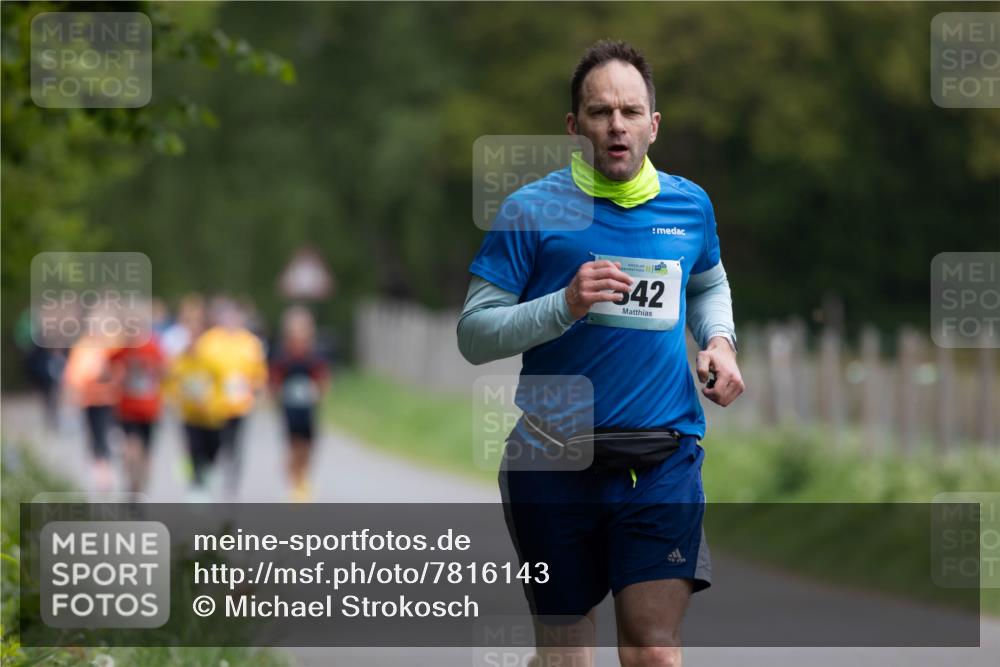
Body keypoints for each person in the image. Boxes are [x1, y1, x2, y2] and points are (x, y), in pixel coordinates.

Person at [457, 40, 744, 667]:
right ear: (573, 125)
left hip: (661, 461)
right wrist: (564, 304)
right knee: (567, 658)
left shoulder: (689, 206)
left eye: (631, 111)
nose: (617, 125)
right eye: (600, 111)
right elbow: (474, 334)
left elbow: (707, 283)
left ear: (653, 125)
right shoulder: (530, 211)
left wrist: (719, 341)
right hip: (550, 461)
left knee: (653, 651)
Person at [193, 298, 268, 498]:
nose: (231, 320)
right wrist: (200, 395)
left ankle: (231, 485)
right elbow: (199, 372)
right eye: (227, 316)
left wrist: (259, 389)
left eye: (235, 316)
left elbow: (258, 372)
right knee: (214, 444)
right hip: (213, 405)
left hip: (240, 404)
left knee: (234, 445)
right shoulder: (209, 341)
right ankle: (205, 474)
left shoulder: (250, 343)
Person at [270, 306, 329, 502]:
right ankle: (294, 483)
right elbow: (275, 379)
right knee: (293, 445)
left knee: (308, 446)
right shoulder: (283, 355)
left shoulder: (315, 354)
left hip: (308, 407)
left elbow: (322, 378)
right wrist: (276, 393)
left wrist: (319, 391)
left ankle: (303, 479)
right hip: (289, 407)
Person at [109, 323, 166, 494]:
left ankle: (140, 483)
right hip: (128, 409)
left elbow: (164, 370)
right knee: (131, 449)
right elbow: (109, 366)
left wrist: (153, 375)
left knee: (146, 452)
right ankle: (133, 482)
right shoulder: (122, 350)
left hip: (149, 410)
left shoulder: (152, 348)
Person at [63, 335, 119, 492]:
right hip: (90, 400)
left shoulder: (111, 344)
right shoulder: (83, 348)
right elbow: (74, 375)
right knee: (97, 436)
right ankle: (102, 472)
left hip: (109, 399)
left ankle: (105, 469)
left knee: (105, 435)